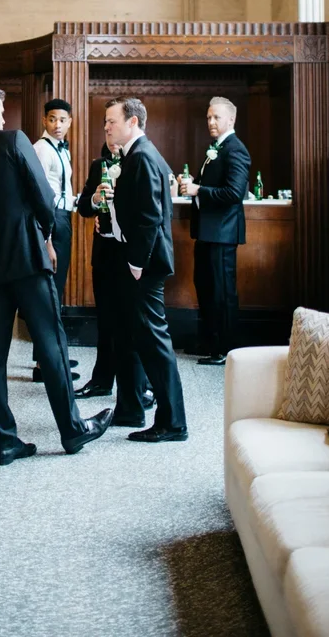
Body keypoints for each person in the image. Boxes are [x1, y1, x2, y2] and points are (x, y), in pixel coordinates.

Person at [0, 84, 112, 464]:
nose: (4, 117)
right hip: (26, 257)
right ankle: (71, 431)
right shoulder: (12, 141)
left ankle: (7, 440)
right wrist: (48, 237)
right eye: (0, 111)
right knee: (51, 343)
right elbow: (44, 199)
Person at [108, 97, 188, 443]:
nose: (107, 127)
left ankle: (173, 423)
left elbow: (150, 218)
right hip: (141, 260)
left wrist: (137, 263)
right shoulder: (141, 154)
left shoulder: (141, 157)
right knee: (139, 337)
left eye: (112, 121)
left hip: (146, 265)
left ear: (133, 123)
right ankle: (133, 408)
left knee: (155, 342)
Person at [75, 139, 154, 411]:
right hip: (105, 251)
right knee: (105, 319)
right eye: (106, 131)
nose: (110, 136)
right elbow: (83, 206)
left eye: (114, 128)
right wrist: (96, 200)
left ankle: (140, 387)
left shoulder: (137, 163)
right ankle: (101, 380)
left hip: (128, 252)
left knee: (132, 323)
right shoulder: (98, 166)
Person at [179, 96, 251, 365]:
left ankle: (226, 349)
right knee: (206, 287)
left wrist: (199, 190)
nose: (210, 121)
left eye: (216, 117)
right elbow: (209, 184)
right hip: (208, 232)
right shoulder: (217, 148)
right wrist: (190, 184)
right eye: (209, 117)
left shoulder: (236, 149)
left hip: (222, 233)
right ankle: (209, 341)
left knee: (222, 292)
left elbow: (234, 193)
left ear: (230, 120)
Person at [31, 98, 78, 383]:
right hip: (52, 223)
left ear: (70, 122)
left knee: (56, 291)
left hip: (64, 219)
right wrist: (46, 239)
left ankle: (50, 355)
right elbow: (40, 195)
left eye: (62, 120)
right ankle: (43, 365)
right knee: (49, 293)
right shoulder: (41, 149)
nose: (57, 124)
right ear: (44, 121)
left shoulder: (62, 149)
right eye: (52, 119)